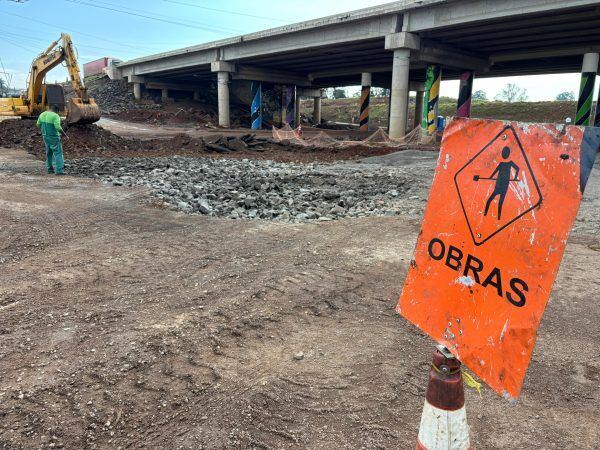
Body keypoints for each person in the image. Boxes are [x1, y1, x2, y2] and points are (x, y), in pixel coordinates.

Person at [483, 146, 520, 220]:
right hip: (499, 184)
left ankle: (498, 218)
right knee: (491, 199)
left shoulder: (510, 163)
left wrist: (515, 177)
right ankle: (485, 213)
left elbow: (517, 168)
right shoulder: (501, 164)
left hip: (504, 185)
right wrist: (491, 176)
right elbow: (495, 171)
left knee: (500, 202)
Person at [36, 104, 65, 175]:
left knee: (49, 153)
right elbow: (58, 127)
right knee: (58, 153)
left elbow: (38, 124)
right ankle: (59, 171)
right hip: (54, 137)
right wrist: (64, 134)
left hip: (45, 136)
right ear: (57, 111)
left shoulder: (42, 114)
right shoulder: (55, 116)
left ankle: (50, 169)